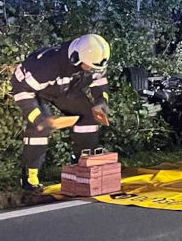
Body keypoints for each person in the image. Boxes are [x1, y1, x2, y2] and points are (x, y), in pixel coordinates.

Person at [11, 34, 111, 191]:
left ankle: (83, 166)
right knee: (39, 128)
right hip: (33, 91)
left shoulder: (92, 59)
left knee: (89, 118)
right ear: (75, 58)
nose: (92, 71)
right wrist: (38, 119)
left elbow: (99, 81)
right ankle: (30, 178)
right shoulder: (46, 67)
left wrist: (101, 101)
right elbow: (21, 92)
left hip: (63, 88)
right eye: (89, 67)